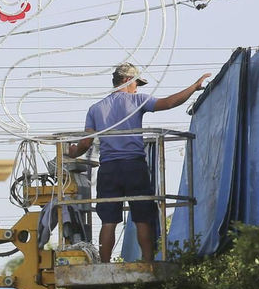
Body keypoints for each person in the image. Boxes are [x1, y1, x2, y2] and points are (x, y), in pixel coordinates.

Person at [68, 62, 210, 262]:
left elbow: (85, 143)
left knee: (108, 221)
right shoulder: (137, 101)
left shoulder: (95, 108)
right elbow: (168, 103)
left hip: (108, 169)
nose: (137, 89)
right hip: (134, 166)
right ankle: (148, 261)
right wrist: (193, 87)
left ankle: (105, 264)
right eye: (136, 84)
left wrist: (73, 152)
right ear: (127, 80)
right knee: (143, 217)